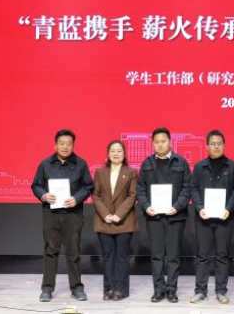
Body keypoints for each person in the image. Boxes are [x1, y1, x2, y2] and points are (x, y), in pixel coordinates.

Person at [31, 129, 94, 303]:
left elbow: (89, 186)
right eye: (62, 143)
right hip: (50, 214)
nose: (65, 147)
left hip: (73, 214)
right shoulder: (45, 164)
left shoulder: (81, 164)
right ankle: (47, 289)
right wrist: (44, 195)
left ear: (73, 145)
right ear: (55, 145)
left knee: (73, 251)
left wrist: (76, 198)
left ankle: (77, 288)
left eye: (69, 143)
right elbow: (36, 185)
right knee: (50, 250)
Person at [136, 127, 191, 303]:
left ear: (170, 142)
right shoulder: (146, 164)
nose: (160, 144)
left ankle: (171, 290)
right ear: (153, 144)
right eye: (157, 142)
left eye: (163, 141)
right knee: (157, 255)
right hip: (154, 217)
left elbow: (187, 188)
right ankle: (159, 290)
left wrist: (177, 206)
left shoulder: (181, 162)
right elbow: (140, 189)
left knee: (173, 256)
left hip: (176, 216)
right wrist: (146, 206)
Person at [189, 130, 234, 304]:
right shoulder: (199, 167)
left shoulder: (232, 166)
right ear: (207, 146)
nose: (216, 147)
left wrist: (228, 208)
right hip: (203, 218)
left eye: (219, 143)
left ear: (224, 145)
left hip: (225, 217)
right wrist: (199, 208)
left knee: (222, 255)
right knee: (202, 255)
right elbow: (193, 188)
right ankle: (200, 291)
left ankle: (221, 291)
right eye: (213, 144)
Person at [92, 140, 139, 301]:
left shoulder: (131, 172)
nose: (116, 153)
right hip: (104, 221)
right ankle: (109, 289)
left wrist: (118, 215)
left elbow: (132, 195)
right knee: (108, 256)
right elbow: (96, 195)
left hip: (124, 221)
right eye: (113, 150)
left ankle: (121, 289)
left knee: (122, 257)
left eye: (119, 150)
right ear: (108, 154)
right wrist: (105, 214)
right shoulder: (100, 172)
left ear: (124, 154)